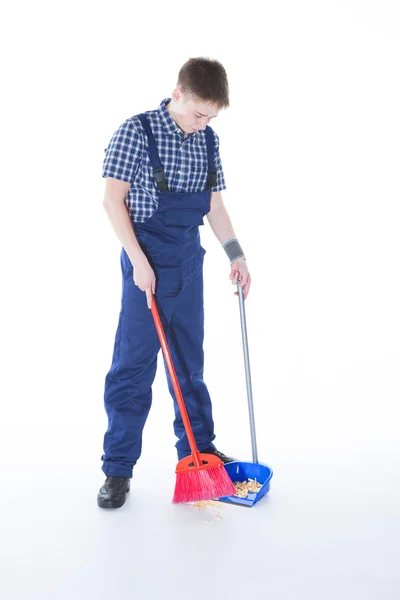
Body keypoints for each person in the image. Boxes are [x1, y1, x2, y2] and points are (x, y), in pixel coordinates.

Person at [98, 57, 251, 508]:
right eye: (199, 113)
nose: (204, 123)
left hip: (188, 262)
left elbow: (215, 208)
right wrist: (138, 262)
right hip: (145, 264)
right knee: (134, 368)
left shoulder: (208, 141)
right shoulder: (136, 132)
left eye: (211, 117)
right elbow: (112, 202)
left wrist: (236, 253)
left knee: (188, 364)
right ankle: (117, 469)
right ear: (178, 93)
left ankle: (198, 453)